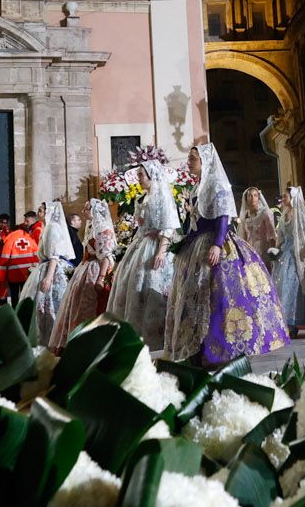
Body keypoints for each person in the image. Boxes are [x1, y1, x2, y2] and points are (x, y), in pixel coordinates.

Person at [164, 144, 289, 365]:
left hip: (216, 243)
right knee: (195, 297)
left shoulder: (217, 185)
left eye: (193, 159)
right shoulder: (197, 187)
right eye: (190, 159)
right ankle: (197, 348)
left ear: (205, 161)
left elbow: (222, 216)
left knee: (221, 296)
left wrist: (217, 244)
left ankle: (222, 349)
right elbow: (193, 221)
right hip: (196, 245)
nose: (189, 162)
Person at [107, 159, 180, 348]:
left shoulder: (162, 196)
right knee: (132, 289)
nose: (138, 178)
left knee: (151, 289)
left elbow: (169, 225)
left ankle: (156, 339)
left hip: (155, 247)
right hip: (141, 245)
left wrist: (161, 252)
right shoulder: (144, 197)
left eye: (141, 175)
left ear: (151, 175)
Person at [52, 199, 117, 351]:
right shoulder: (91, 226)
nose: (83, 211)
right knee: (77, 307)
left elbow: (107, 256)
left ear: (94, 210)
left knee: (94, 307)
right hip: (86, 268)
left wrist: (101, 278)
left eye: (86, 209)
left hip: (97, 270)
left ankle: (95, 344)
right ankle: (79, 344)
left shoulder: (103, 228)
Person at [269, 185, 305, 336]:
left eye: (286, 196)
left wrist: (303, 253)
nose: (283, 198)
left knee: (299, 285)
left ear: (293, 198)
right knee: (284, 285)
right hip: (286, 253)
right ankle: (288, 323)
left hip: (299, 254)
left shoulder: (302, 215)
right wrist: (277, 249)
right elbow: (280, 235)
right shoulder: (283, 215)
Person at [29, 197, 74, 347]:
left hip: (53, 272)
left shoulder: (53, 228)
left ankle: (55, 342)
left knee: (51, 308)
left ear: (49, 212)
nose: (38, 212)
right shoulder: (46, 227)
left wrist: (48, 278)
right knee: (43, 309)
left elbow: (54, 256)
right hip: (45, 268)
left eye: (41, 210)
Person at [0, 215, 39, 302]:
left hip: (13, 274)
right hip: (28, 273)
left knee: (14, 296)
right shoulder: (30, 239)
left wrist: (1, 276)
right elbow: (37, 255)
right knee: (26, 295)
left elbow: (4, 259)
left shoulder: (10, 240)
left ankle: (15, 313)